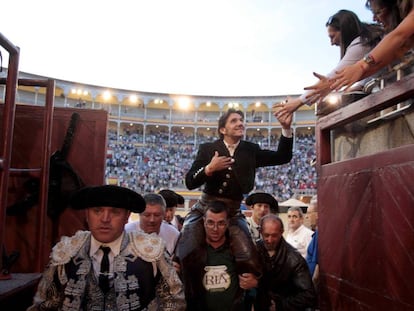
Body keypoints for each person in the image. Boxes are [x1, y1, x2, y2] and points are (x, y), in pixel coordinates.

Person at [176, 108, 293, 285]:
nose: (240, 123)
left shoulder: (250, 150)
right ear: (223, 129)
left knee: (249, 257)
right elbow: (190, 182)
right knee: (184, 250)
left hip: (233, 211)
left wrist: (286, 128)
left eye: (241, 120)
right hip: (205, 208)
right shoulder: (208, 149)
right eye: (234, 121)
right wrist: (209, 169)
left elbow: (282, 157)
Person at [27, 185, 185, 311]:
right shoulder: (67, 251)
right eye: (97, 211)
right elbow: (45, 305)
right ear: (87, 215)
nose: (105, 219)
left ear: (126, 216)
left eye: (115, 212)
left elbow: (173, 301)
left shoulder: (152, 252)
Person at [273, 9, 384, 115]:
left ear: (344, 31)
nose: (332, 43)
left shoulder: (361, 43)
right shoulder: (367, 40)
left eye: (332, 36)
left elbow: (332, 78)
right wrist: (360, 85)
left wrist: (298, 102)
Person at [180, 200, 258, 310]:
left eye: (220, 223)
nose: (215, 229)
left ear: (227, 223)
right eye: (210, 223)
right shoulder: (193, 255)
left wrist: (256, 283)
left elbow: (260, 281)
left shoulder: (238, 253)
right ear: (204, 222)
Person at [331, 0, 414, 91]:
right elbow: (384, 60)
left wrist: (361, 65)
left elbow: (398, 35)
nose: (374, 19)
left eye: (378, 12)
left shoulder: (363, 42)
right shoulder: (403, 40)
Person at [255, 214, 316, 310]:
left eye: (274, 235)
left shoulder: (294, 259)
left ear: (281, 232)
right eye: (266, 235)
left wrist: (281, 305)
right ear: (260, 232)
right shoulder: (253, 250)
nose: (270, 240)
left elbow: (309, 295)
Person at [306, 195, 320, 306]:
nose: (307, 217)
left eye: (309, 213)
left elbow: (317, 269)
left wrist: (309, 292)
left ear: (317, 214)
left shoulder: (320, 235)